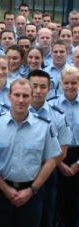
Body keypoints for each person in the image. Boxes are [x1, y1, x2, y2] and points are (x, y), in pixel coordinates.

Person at [0, 77, 61, 227]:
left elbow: (51, 160)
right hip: (0, 192)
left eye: (26, 96)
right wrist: (4, 187)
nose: (21, 100)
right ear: (9, 96)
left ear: (32, 97)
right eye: (17, 95)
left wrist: (32, 190)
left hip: (32, 193)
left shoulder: (44, 126)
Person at [28, 69, 71, 227]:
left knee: (46, 216)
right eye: (34, 86)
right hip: (20, 174)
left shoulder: (58, 115)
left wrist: (44, 168)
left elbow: (63, 151)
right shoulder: (14, 113)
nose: (38, 91)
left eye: (42, 87)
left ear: (49, 88)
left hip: (47, 174)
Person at [48, 66, 79, 227]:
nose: (70, 86)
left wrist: (77, 165)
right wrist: (59, 163)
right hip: (56, 155)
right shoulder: (52, 105)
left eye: (74, 82)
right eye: (66, 82)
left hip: (78, 156)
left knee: (76, 201)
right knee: (57, 199)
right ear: (61, 83)